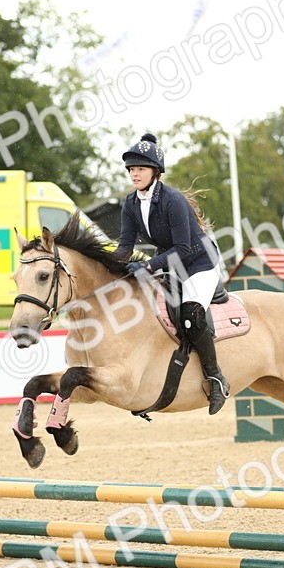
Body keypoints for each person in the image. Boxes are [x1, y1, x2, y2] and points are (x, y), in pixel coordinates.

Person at [116, 132, 231, 414]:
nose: (134, 174)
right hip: (170, 262)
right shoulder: (130, 203)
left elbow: (184, 247)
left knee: (191, 315)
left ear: (155, 171)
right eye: (131, 169)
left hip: (199, 262)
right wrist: (108, 268)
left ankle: (216, 378)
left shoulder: (172, 200)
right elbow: (125, 247)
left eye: (140, 169)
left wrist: (148, 266)